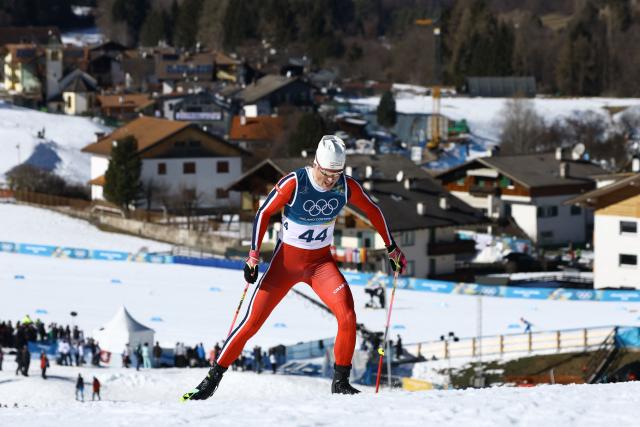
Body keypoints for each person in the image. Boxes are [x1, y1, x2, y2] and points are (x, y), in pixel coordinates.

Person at [183, 135, 407, 400]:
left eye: (336, 174)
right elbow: (263, 212)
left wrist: (391, 246)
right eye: (326, 173)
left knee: (347, 315)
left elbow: (373, 211)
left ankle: (340, 383)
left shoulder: (345, 186)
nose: (330, 180)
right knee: (251, 324)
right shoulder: (295, 182)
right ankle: (211, 381)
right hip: (285, 265)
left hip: (320, 265)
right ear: (316, 164)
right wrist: (253, 256)